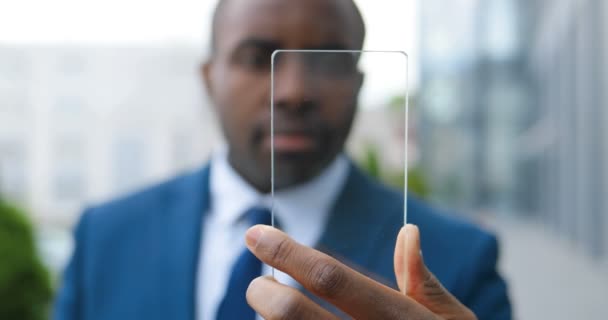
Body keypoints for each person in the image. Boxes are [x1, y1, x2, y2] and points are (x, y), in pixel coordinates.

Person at [54, 0, 511, 319]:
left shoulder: (458, 259)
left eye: (329, 59)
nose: (294, 92)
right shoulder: (106, 237)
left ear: (358, 82)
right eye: (258, 57)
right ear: (210, 79)